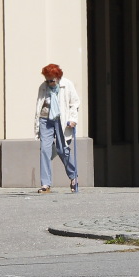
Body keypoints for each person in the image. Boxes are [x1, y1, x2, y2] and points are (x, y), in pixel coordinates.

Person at [34, 64, 80, 193]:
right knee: (45, 150)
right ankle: (45, 184)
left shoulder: (67, 85)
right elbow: (39, 104)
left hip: (61, 119)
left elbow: (74, 103)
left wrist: (73, 119)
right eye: (47, 80)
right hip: (45, 119)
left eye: (52, 80)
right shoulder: (43, 87)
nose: (49, 82)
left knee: (62, 149)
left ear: (58, 77)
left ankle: (73, 177)